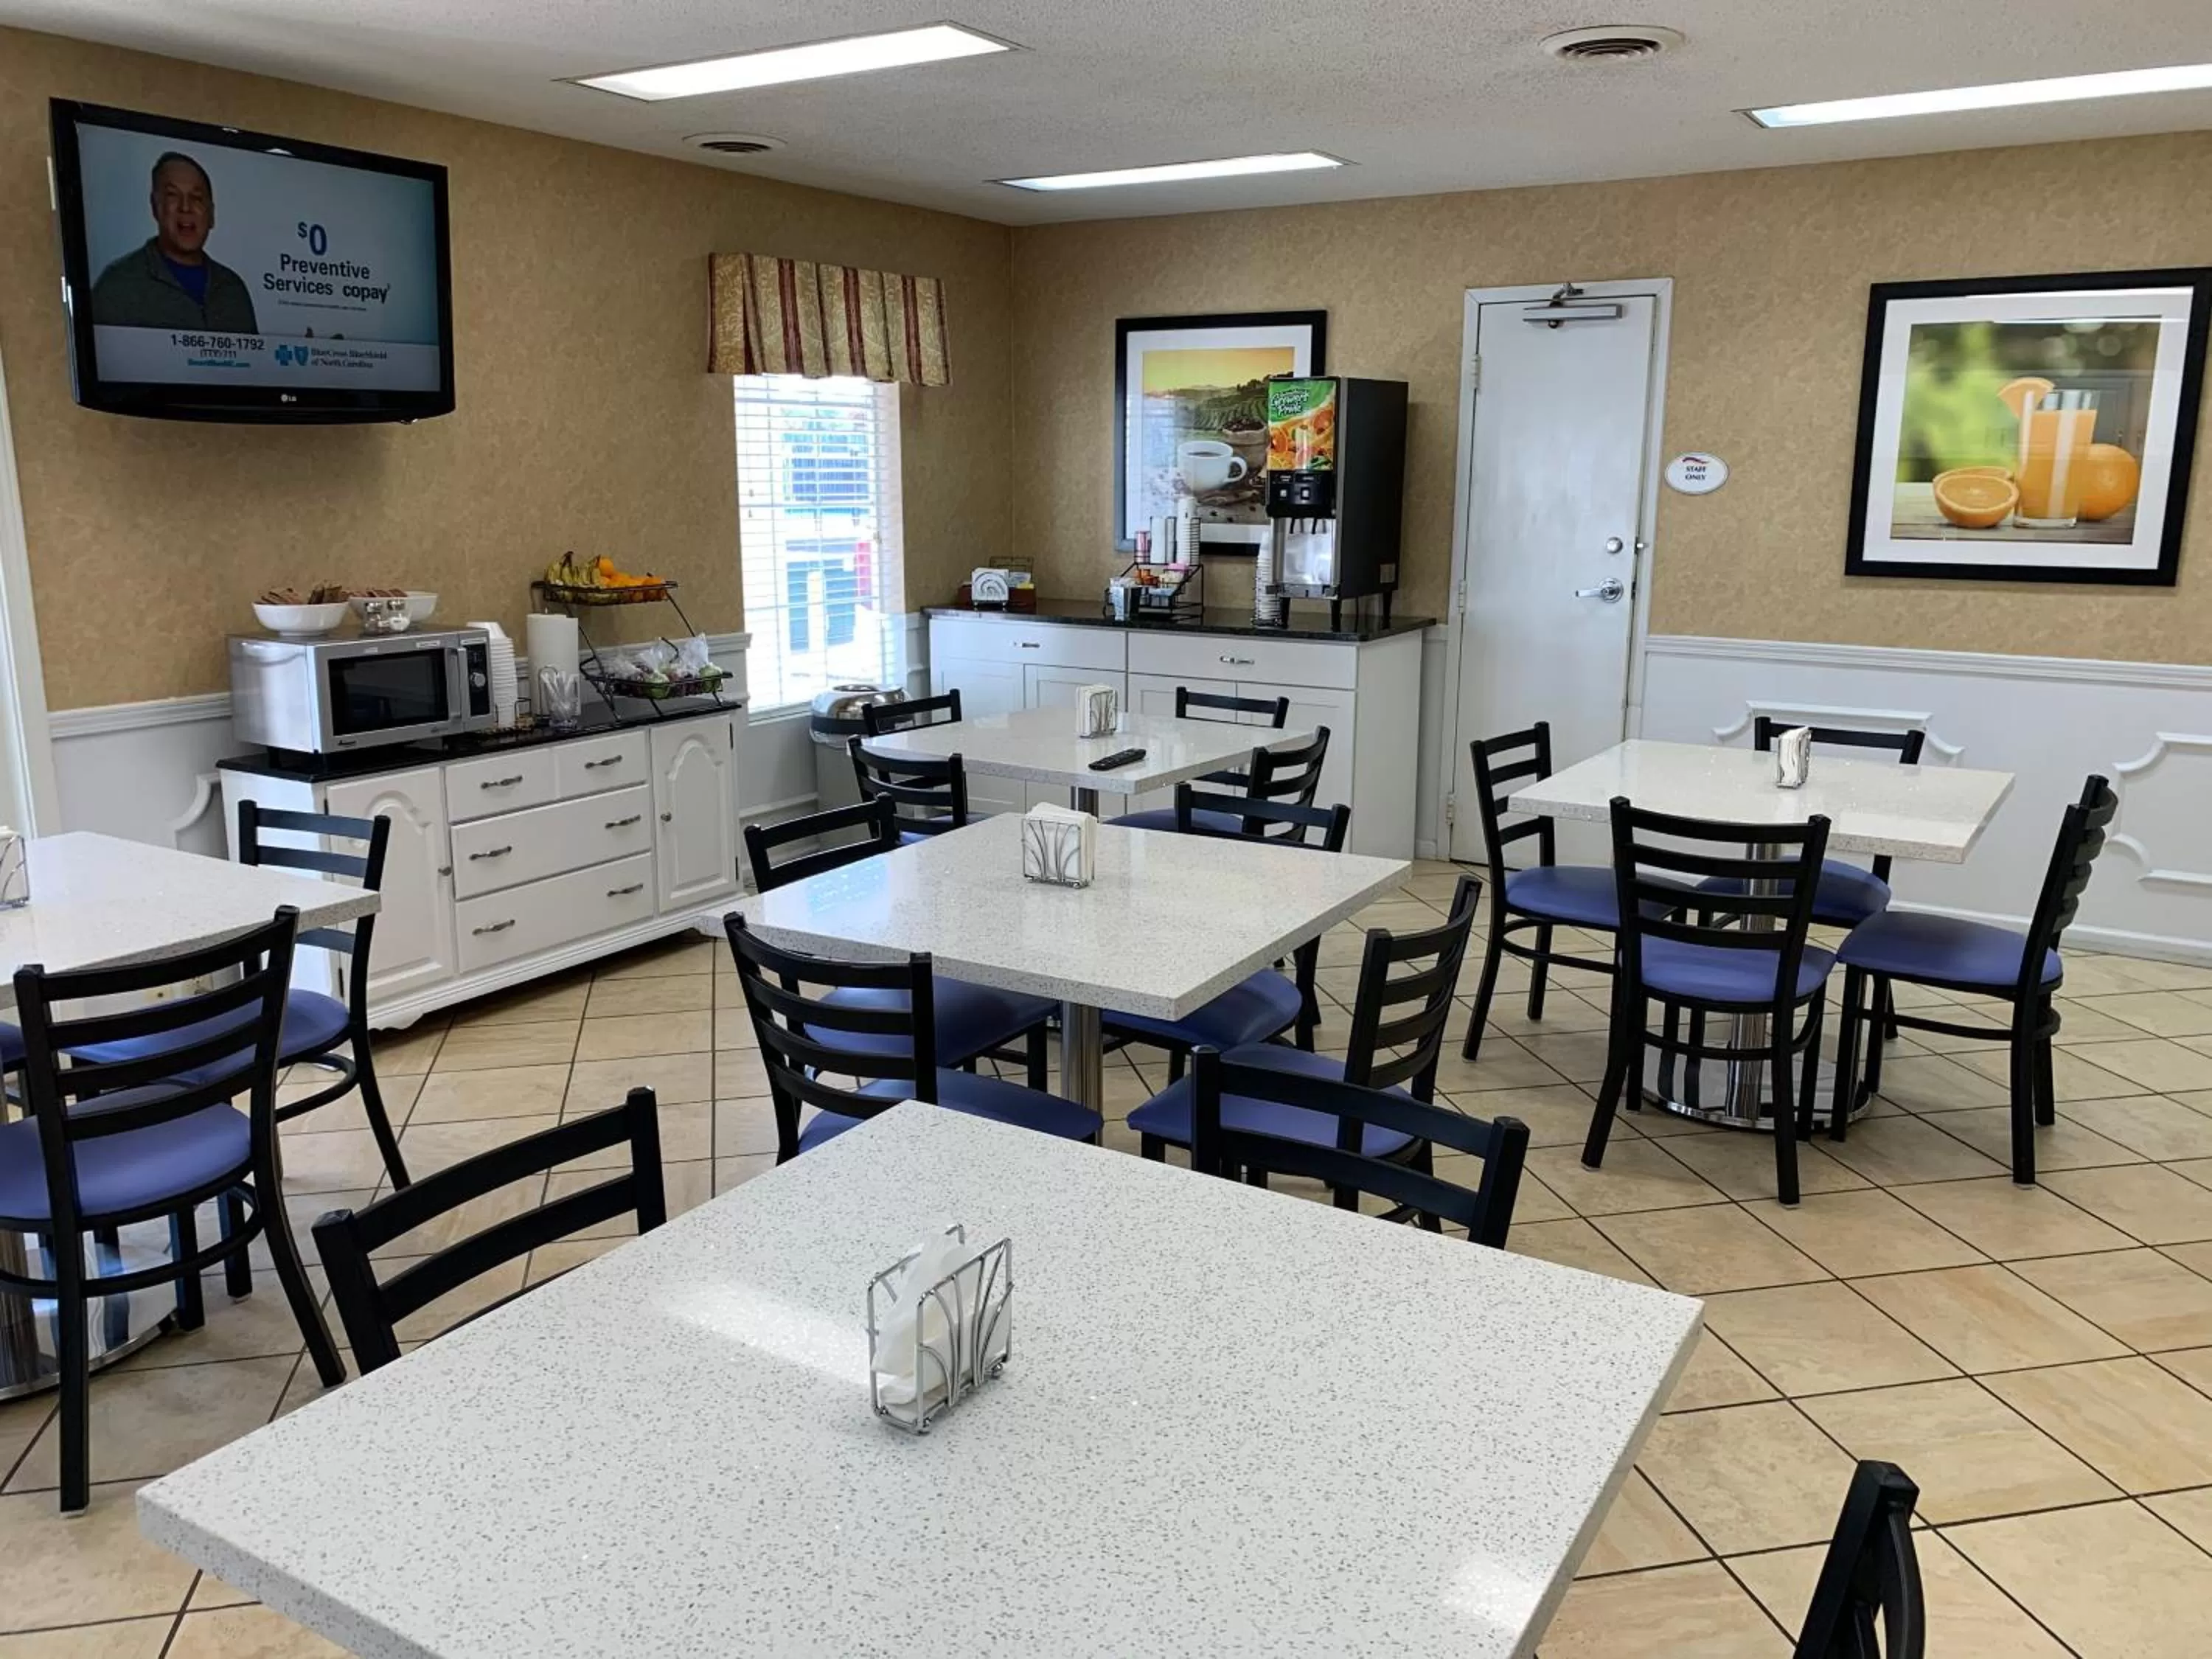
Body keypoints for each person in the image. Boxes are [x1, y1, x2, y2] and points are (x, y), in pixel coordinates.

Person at [89, 151, 260, 333]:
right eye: (173, 195)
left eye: (196, 198)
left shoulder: (233, 289)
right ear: (156, 207)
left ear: (211, 215)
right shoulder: (118, 285)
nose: (185, 207)